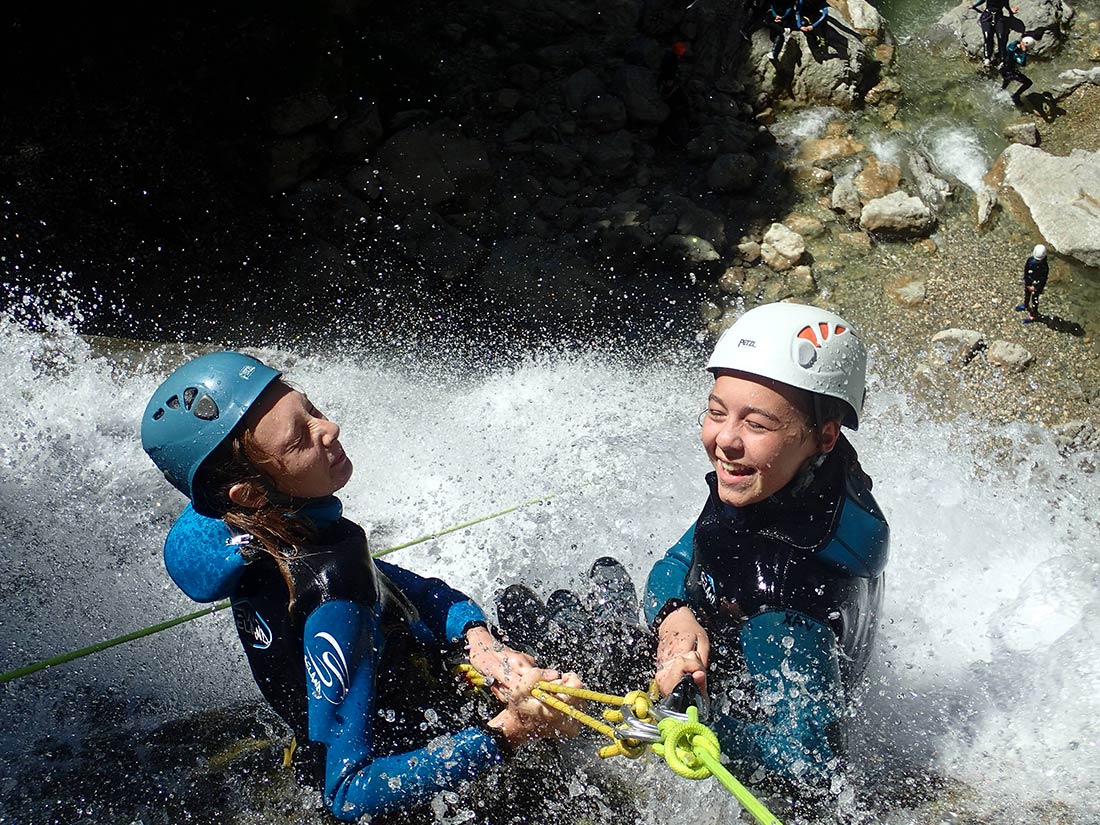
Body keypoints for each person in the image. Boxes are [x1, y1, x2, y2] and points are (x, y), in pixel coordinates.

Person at [141, 351, 582, 822]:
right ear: (250, 492)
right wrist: (509, 731)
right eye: (299, 438)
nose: (328, 428)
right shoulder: (331, 593)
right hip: (422, 779)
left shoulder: (269, 532)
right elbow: (349, 794)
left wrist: (480, 641)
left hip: (402, 711)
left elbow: (406, 589)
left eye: (310, 408)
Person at [645, 302, 890, 795]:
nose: (726, 441)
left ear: (823, 436)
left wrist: (686, 721)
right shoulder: (777, 482)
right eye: (716, 413)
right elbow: (681, 558)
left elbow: (813, 769)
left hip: (766, 709)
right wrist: (674, 614)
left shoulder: (797, 590)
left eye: (756, 425)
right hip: (731, 649)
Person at [969, 0, 1020, 67]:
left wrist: (1011, 12)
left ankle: (1002, 59)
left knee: (1001, 37)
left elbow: (1006, 4)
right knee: (987, 37)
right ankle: (987, 58)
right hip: (987, 16)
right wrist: (973, 6)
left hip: (998, 17)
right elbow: (982, 0)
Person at [1015, 243, 1049, 323]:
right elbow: (1026, 272)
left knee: (1035, 299)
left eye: (1039, 260)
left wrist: (1036, 287)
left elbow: (1043, 279)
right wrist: (1028, 284)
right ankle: (1025, 305)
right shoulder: (1030, 261)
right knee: (1027, 294)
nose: (1037, 261)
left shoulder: (1045, 267)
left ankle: (1033, 314)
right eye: (1036, 259)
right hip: (1029, 282)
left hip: (1038, 285)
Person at [1001, 35, 1036, 103]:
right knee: (1028, 83)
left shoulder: (1014, 45)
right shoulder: (1015, 52)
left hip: (1006, 69)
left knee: (1006, 83)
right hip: (1008, 72)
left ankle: (1000, 92)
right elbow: (1022, 63)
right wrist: (1024, 52)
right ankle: (1015, 96)